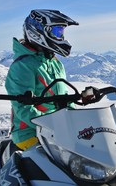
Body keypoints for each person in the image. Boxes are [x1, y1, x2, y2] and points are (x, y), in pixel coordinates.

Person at [5, 9, 79, 150]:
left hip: (58, 132)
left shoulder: (55, 63)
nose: (61, 37)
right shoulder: (23, 66)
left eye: (61, 32)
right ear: (38, 31)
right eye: (57, 32)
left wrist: (75, 117)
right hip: (30, 134)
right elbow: (23, 109)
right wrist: (52, 126)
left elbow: (63, 99)